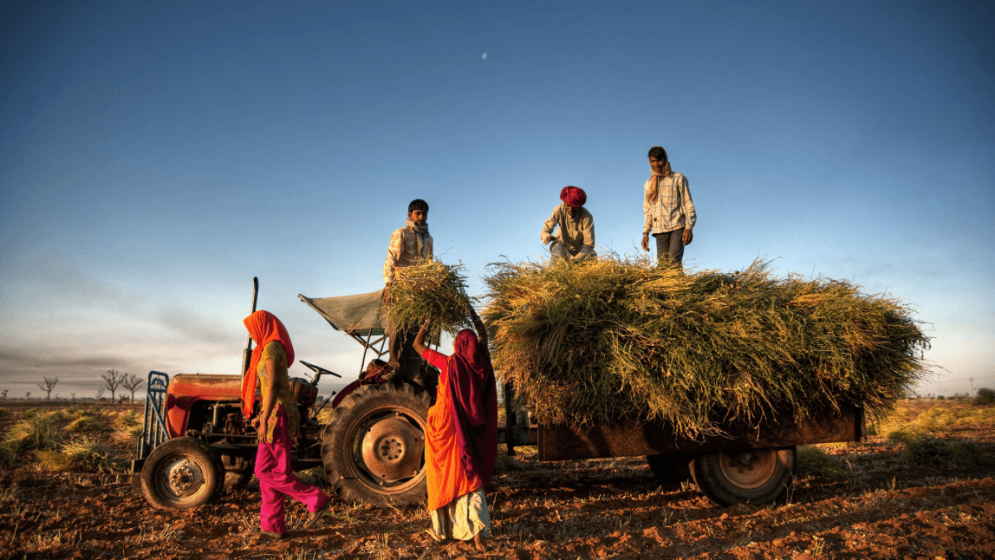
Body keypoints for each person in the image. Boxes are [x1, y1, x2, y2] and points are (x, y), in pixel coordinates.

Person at [413, 309, 498, 553]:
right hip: (470, 430)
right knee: (469, 475)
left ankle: (444, 529)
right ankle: (477, 532)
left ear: (459, 345)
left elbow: (417, 345)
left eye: (456, 342)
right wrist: (471, 311)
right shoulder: (482, 361)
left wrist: (428, 318)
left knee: (444, 475)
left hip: (446, 428)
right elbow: (483, 334)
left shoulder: (449, 363)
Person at [241, 310, 330, 539]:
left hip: (278, 415)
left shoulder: (271, 348)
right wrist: (261, 415)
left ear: (262, 326)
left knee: (263, 470)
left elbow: (272, 387)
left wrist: (264, 419)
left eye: (252, 329)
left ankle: (315, 498)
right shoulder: (269, 348)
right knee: (271, 473)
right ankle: (272, 527)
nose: (251, 335)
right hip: (274, 413)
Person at [383, 199, 434, 377]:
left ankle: (413, 373)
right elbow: (391, 259)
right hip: (401, 289)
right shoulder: (401, 233)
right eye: (417, 213)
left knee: (416, 333)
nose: (421, 217)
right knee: (397, 329)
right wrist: (389, 286)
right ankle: (394, 368)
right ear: (409, 215)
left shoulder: (429, 239)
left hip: (419, 292)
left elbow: (429, 266)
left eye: (424, 214)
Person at [640, 146, 696, 266]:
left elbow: (687, 203)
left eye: (659, 160)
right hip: (660, 230)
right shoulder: (648, 184)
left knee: (673, 262)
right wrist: (645, 233)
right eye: (653, 161)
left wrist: (688, 227)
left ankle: (681, 284)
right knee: (663, 267)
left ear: (665, 159)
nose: (656, 164)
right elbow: (648, 210)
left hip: (677, 227)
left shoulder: (678, 179)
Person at [540, 186, 595, 262]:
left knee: (592, 255)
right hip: (562, 246)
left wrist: (576, 260)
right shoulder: (558, 210)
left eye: (574, 206)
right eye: (568, 205)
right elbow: (545, 230)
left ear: (579, 205)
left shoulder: (587, 217)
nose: (571, 209)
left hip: (580, 249)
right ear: (564, 203)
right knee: (558, 254)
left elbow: (589, 244)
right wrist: (547, 236)